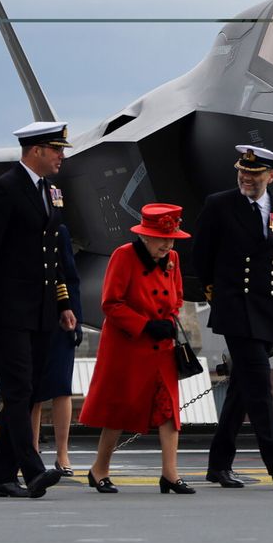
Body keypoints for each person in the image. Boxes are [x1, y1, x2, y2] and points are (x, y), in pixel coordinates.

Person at [0, 121, 77, 499]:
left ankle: (1, 477)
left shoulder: (51, 192)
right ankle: (32, 470)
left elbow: (53, 256)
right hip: (11, 309)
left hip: (43, 309)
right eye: (57, 149)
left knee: (29, 393)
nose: (62, 156)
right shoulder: (5, 190)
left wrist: (63, 303)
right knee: (17, 390)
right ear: (36, 151)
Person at [191, 145, 273, 490]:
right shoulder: (220, 205)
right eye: (242, 171)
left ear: (270, 176)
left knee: (242, 388)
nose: (246, 178)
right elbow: (200, 257)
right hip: (235, 308)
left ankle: (218, 464)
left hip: (267, 310)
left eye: (254, 174)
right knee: (259, 382)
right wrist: (217, 294)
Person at [79, 203, 194, 495]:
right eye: (162, 239)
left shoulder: (173, 259)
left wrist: (169, 320)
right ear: (145, 236)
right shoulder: (124, 256)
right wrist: (144, 325)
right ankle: (99, 469)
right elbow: (111, 303)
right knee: (119, 408)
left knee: (169, 410)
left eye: (171, 240)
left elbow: (177, 295)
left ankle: (170, 474)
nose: (167, 245)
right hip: (127, 346)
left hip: (161, 346)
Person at [31, 222, 82, 476]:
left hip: (59, 319)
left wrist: (76, 318)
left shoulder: (58, 231)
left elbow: (69, 275)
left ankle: (63, 453)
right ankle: (31, 452)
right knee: (33, 391)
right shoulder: (19, 228)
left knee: (62, 387)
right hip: (29, 318)